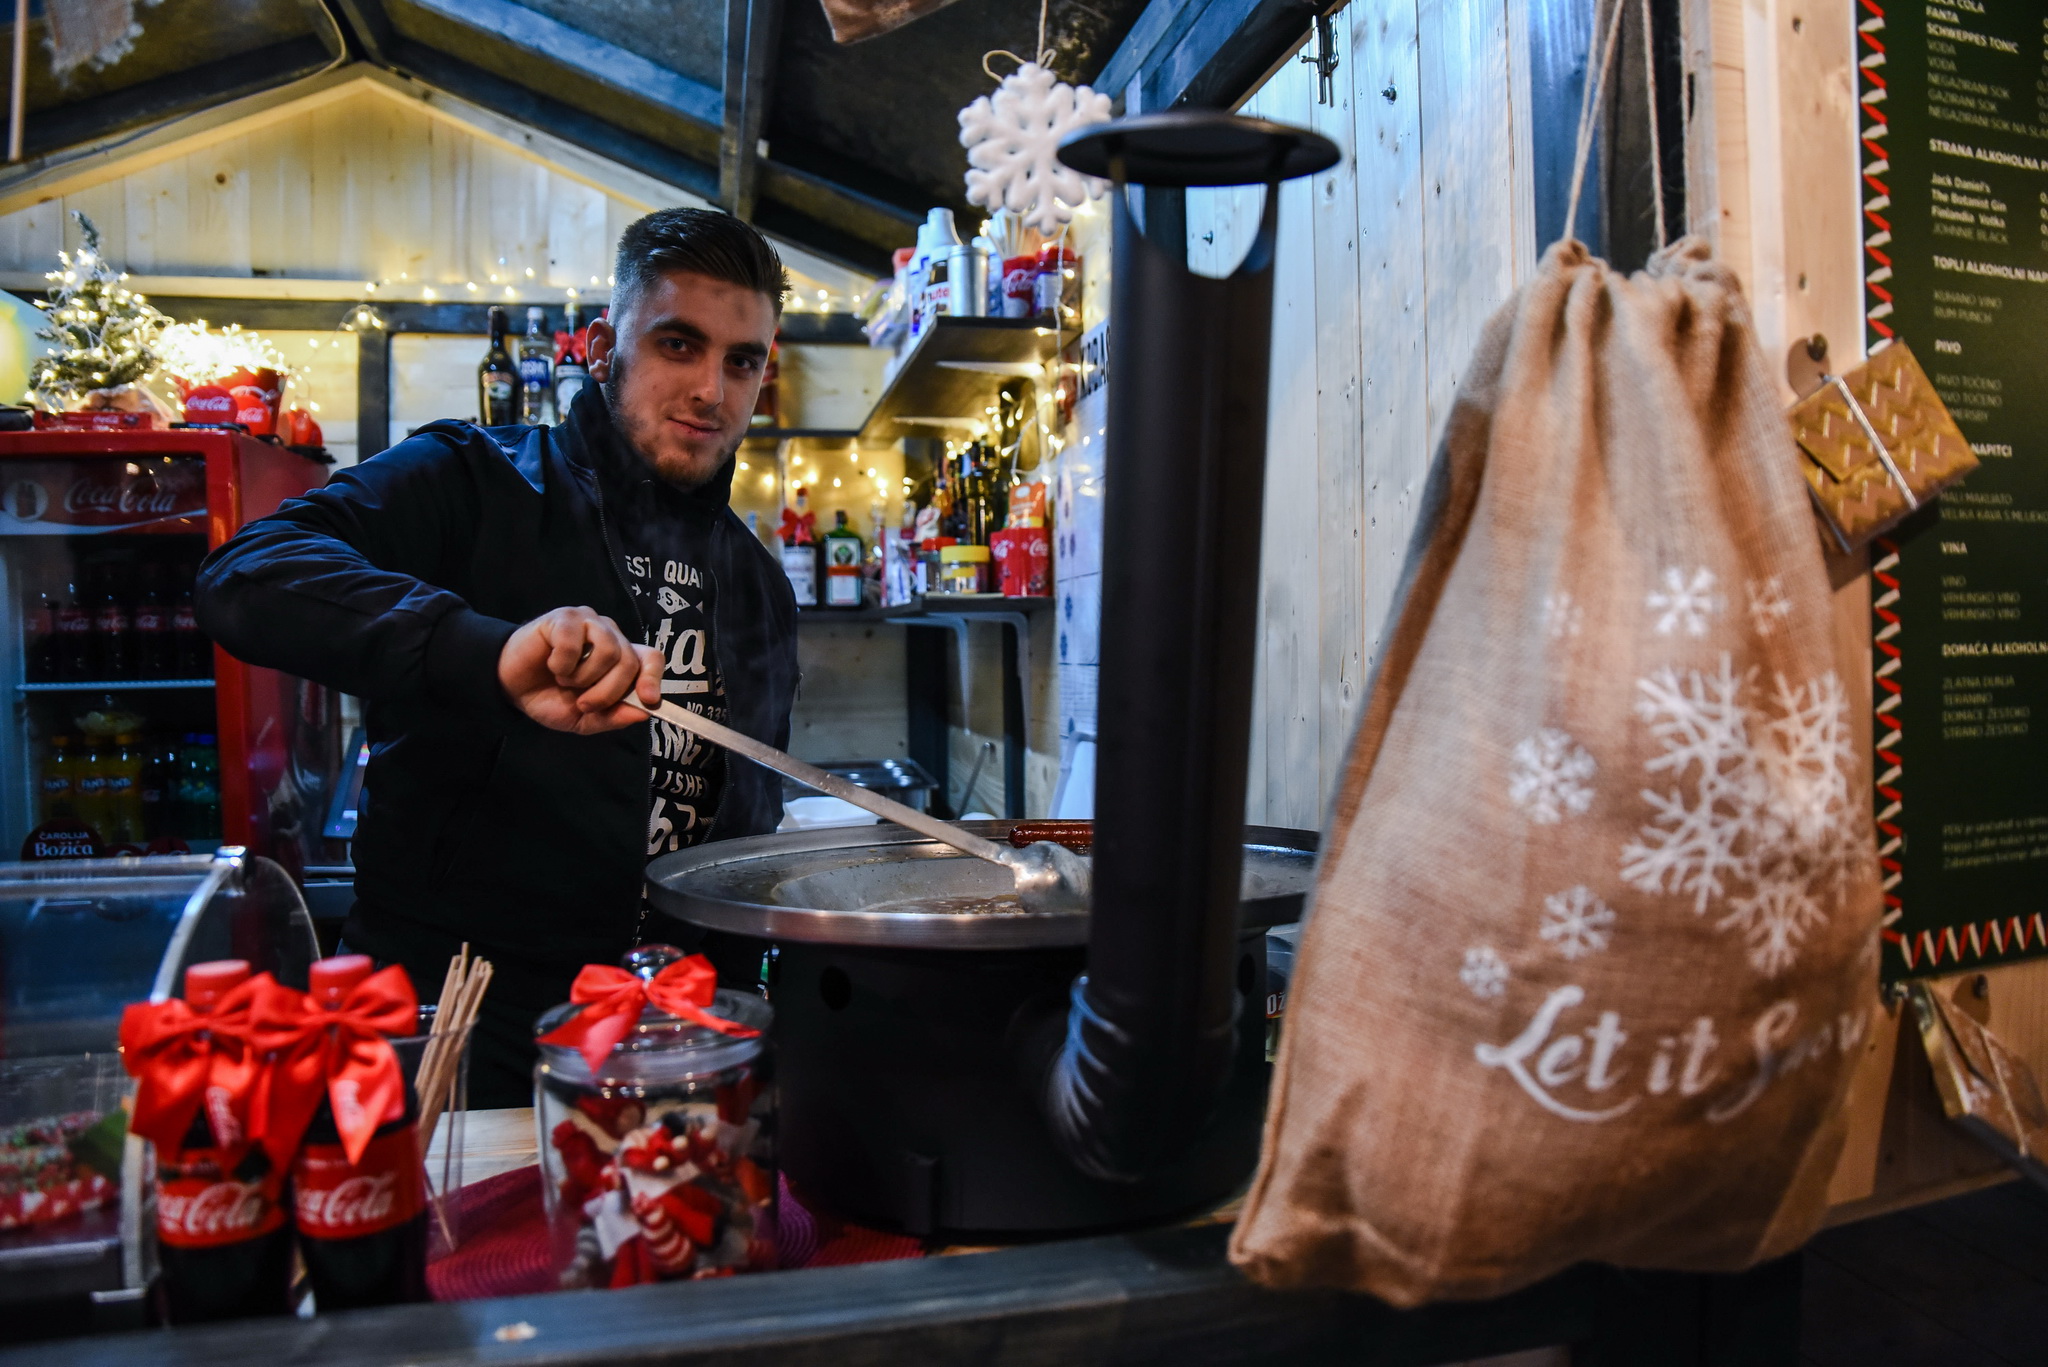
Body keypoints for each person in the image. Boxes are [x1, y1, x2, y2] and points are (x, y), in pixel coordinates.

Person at [196, 209, 800, 1105]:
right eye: (679, 344)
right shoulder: (473, 478)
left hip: (672, 1035)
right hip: (460, 1022)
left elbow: (744, 822)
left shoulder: (756, 582)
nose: (712, 389)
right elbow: (245, 574)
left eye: (741, 360)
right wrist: (483, 648)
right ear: (602, 347)